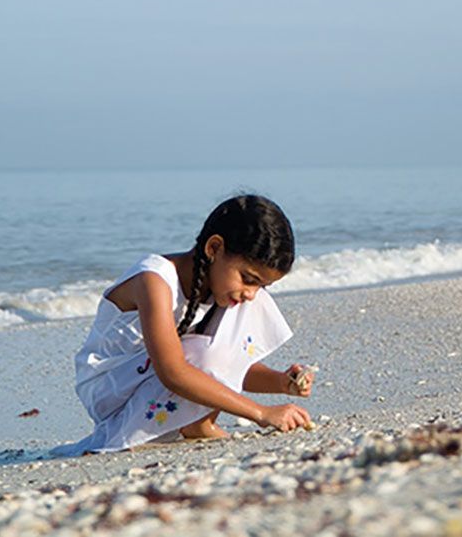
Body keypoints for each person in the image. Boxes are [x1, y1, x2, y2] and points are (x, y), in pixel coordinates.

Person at [54, 195, 314, 455]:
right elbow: (174, 371)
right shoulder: (154, 281)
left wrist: (280, 382)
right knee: (233, 314)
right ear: (213, 248)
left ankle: (197, 423)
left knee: (245, 306)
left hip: (153, 376)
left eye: (261, 285)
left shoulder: (218, 290)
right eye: (248, 278)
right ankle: (196, 425)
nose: (251, 292)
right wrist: (261, 413)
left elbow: (222, 363)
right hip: (111, 387)